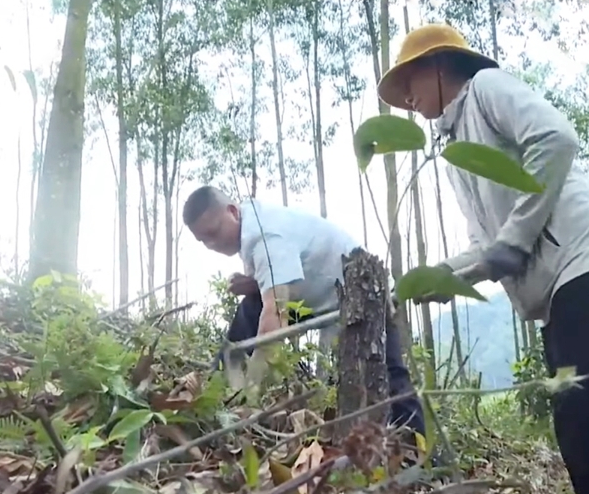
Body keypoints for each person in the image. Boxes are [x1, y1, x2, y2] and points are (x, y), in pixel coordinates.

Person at [375, 23, 589, 494]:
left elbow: (555, 138)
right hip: (558, 296)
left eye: (409, 80)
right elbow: (488, 244)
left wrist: (517, 239)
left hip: (588, 264)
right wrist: (442, 276)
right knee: (580, 433)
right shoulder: (456, 151)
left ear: (439, 66)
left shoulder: (486, 88)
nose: (406, 97)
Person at [182, 186, 426, 441]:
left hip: (365, 292)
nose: (211, 245)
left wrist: (251, 392)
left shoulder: (265, 236)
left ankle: (418, 449)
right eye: (203, 240)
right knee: (251, 307)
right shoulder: (253, 223)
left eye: (214, 233)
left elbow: (276, 317)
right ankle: (217, 392)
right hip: (322, 300)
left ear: (232, 211)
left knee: (389, 374)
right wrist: (255, 284)